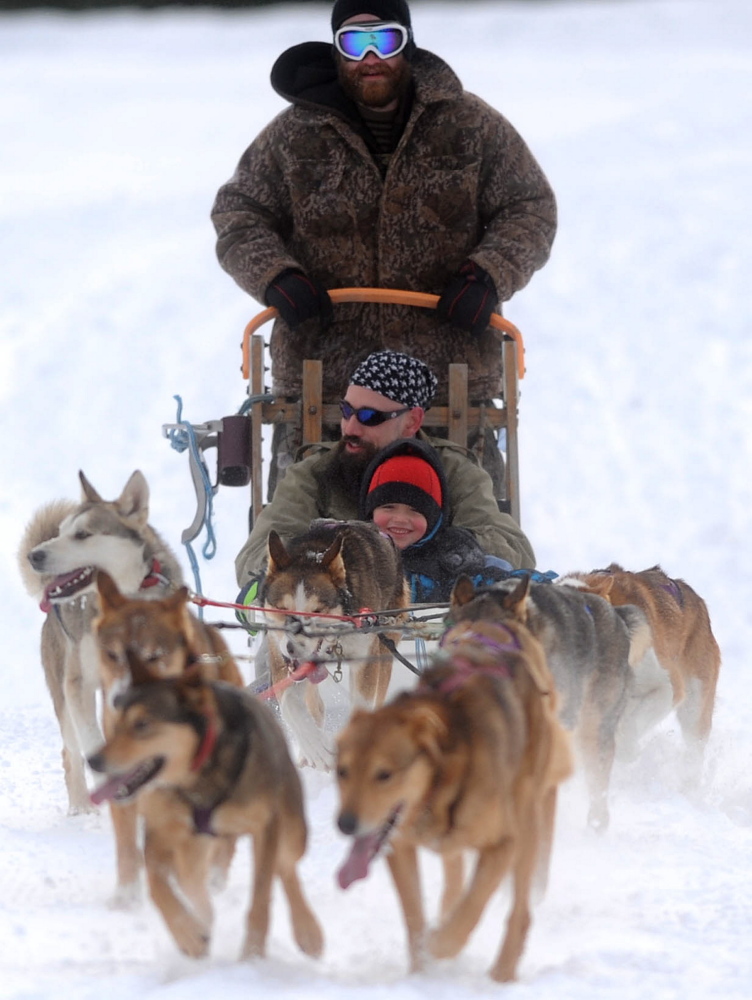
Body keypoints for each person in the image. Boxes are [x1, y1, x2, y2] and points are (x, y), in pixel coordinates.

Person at [211, 0, 557, 496]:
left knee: (465, 527)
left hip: (447, 378)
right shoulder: (293, 135)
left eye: (385, 41)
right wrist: (276, 276)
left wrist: (488, 274)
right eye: (354, 43)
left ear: (408, 44)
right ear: (335, 53)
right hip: (324, 377)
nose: (370, 57)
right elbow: (238, 213)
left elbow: (529, 206)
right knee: (308, 530)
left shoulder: (470, 126)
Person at [235, 350, 535, 593]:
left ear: (412, 421)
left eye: (369, 416)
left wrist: (447, 551)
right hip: (331, 627)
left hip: (438, 631)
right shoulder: (314, 473)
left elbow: (515, 550)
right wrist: (330, 556)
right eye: (347, 412)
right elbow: (254, 559)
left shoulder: (454, 471)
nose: (350, 428)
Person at [360, 437, 517, 603]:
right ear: (370, 511)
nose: (400, 519)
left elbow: (500, 576)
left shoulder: (451, 560)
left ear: (433, 519)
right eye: (388, 507)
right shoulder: (355, 555)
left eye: (415, 511)